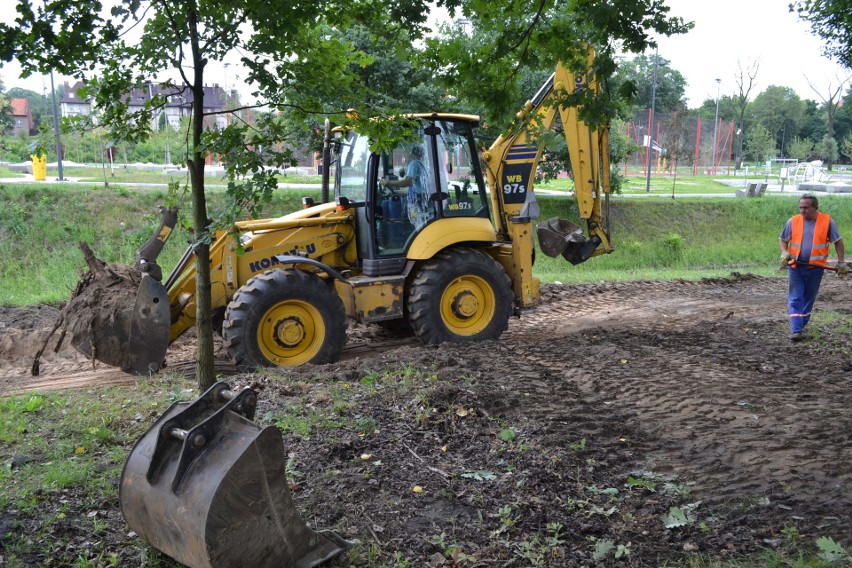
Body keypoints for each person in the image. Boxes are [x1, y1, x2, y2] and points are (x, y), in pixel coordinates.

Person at [779, 193, 847, 341]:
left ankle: (801, 324)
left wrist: (841, 262)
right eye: (801, 207)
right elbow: (783, 240)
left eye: (806, 208)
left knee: (808, 299)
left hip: (816, 269)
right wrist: (784, 252)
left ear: (815, 208)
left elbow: (838, 242)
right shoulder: (793, 221)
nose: (802, 211)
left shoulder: (827, 222)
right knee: (795, 298)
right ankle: (796, 329)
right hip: (795, 266)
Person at [379, 145, 432, 230]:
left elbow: (409, 181)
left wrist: (389, 182)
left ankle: (396, 236)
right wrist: (397, 192)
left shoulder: (414, 164)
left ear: (412, 155)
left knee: (391, 204)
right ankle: (388, 231)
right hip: (421, 198)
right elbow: (415, 189)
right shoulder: (424, 166)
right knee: (386, 203)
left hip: (416, 201)